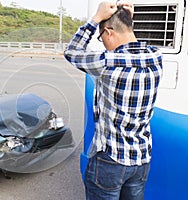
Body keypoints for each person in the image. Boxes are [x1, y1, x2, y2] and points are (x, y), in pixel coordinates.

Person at [64, 1, 163, 200]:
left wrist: (96, 19)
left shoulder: (107, 63)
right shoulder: (156, 57)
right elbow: (132, 43)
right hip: (141, 159)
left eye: (102, 38)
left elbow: (72, 52)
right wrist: (127, 20)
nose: (104, 44)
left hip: (110, 159)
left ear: (108, 32)